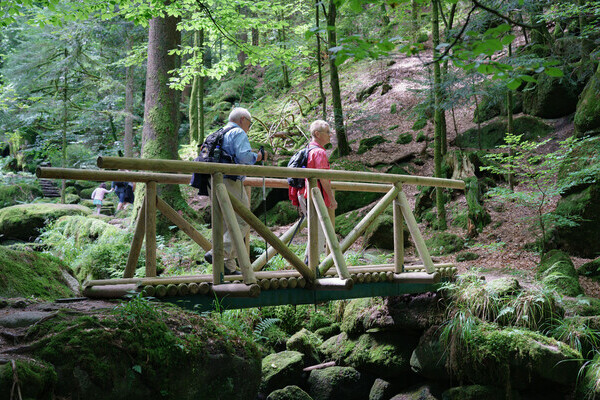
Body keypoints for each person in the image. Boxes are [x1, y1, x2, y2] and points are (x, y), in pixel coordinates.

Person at [204, 107, 266, 276]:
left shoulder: (220, 132)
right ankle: (218, 252)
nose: (249, 127)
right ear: (242, 119)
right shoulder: (238, 133)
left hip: (213, 180)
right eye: (249, 124)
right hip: (230, 181)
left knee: (226, 221)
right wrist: (258, 157)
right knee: (244, 218)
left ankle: (228, 267)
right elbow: (244, 157)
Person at [297, 120, 338, 260]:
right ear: (317, 134)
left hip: (304, 193)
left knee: (315, 230)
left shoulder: (308, 149)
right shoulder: (319, 152)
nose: (330, 135)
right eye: (327, 132)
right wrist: (331, 198)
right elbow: (323, 177)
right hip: (314, 195)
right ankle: (312, 267)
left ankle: (309, 264)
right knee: (319, 232)